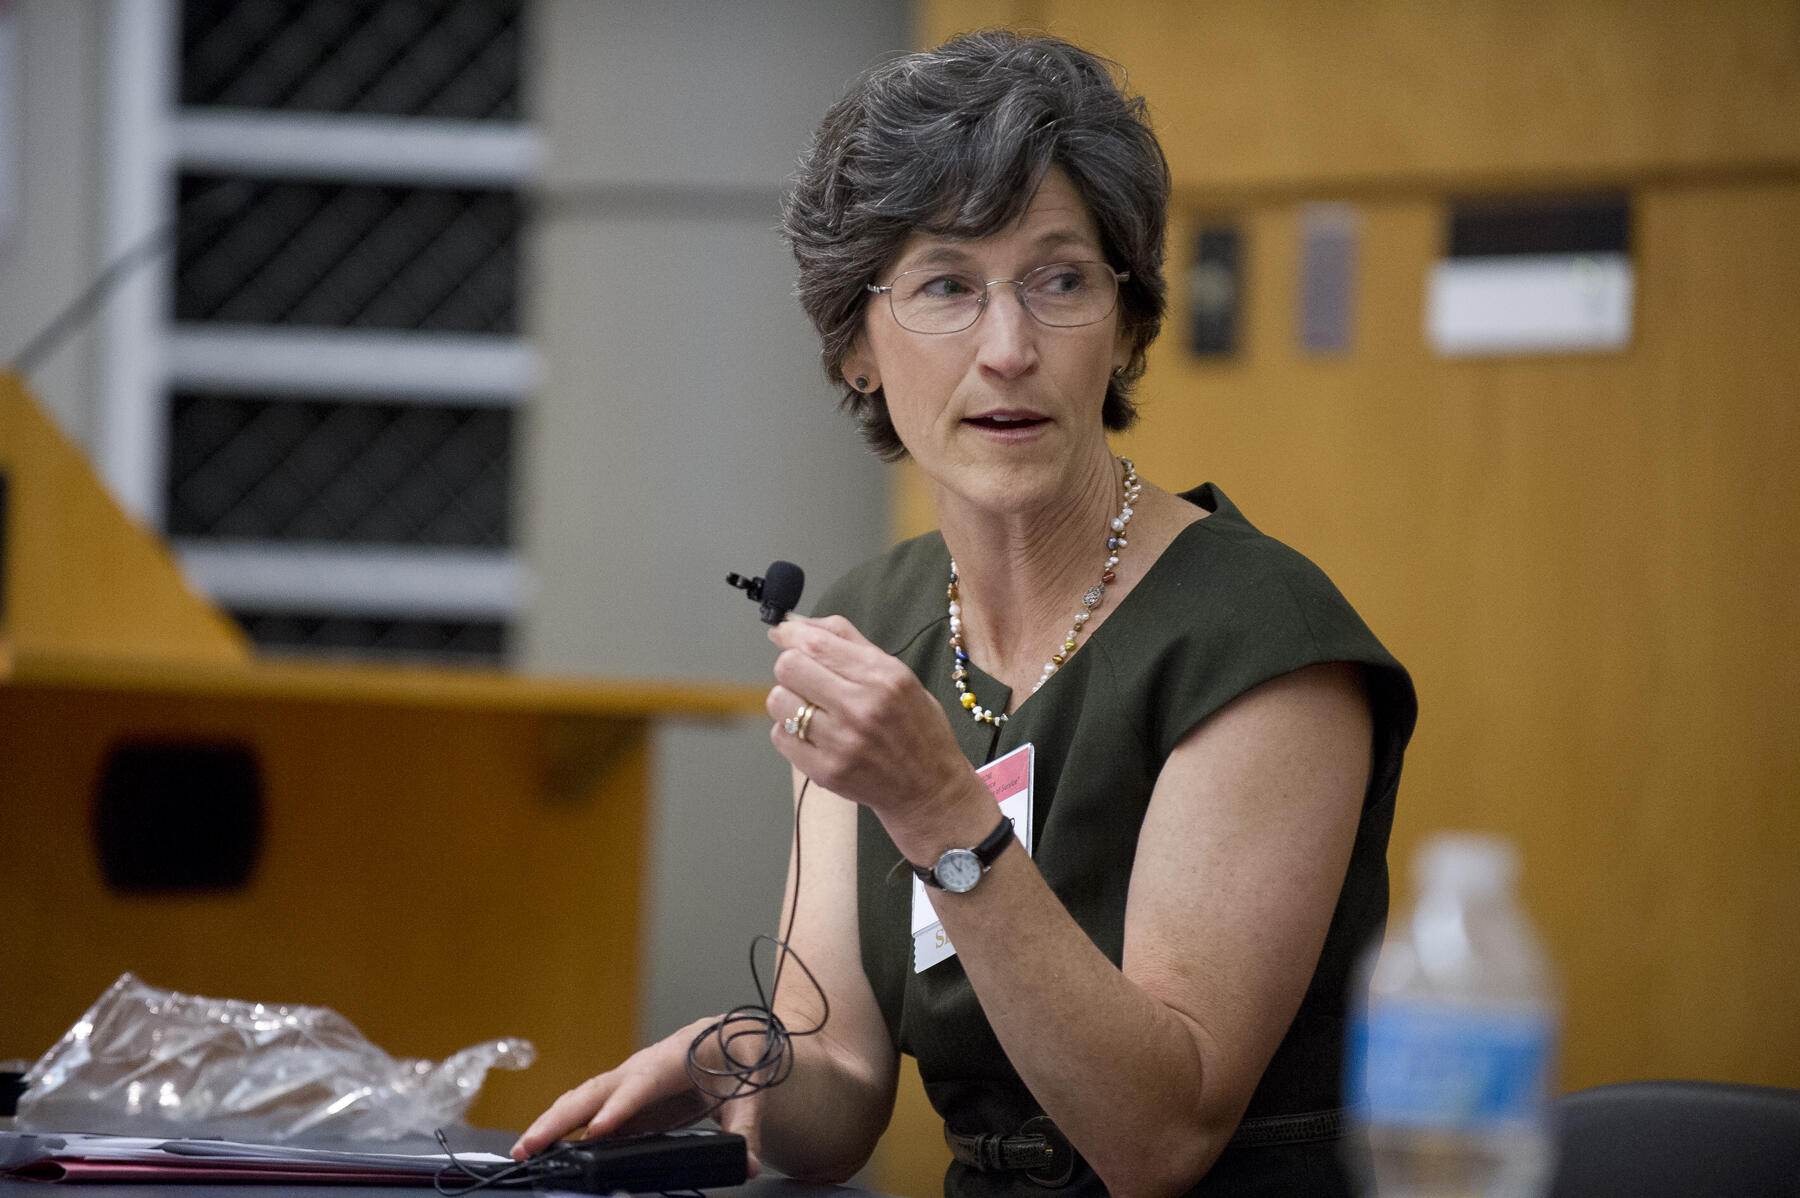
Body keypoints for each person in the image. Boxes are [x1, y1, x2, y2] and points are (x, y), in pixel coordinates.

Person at [513, 30, 1415, 1196]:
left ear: (1129, 324)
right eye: (946, 284)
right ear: (854, 346)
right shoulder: (868, 622)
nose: (1009, 349)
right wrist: (728, 1056)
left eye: (1061, 279)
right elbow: (834, 1094)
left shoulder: (1262, 636)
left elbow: (1160, 1138)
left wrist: (938, 806)